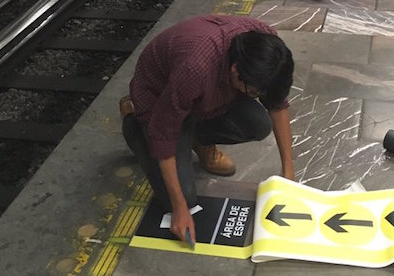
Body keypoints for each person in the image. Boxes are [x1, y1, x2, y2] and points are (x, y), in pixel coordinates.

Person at [119, 15, 294, 246]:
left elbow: (277, 104)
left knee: (258, 123)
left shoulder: (266, 46)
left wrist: (289, 177)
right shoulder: (196, 68)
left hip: (199, 97)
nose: (257, 97)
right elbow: (163, 133)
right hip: (159, 99)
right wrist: (180, 209)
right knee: (182, 199)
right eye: (254, 92)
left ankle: (197, 137)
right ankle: (133, 120)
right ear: (234, 70)